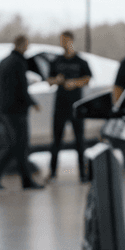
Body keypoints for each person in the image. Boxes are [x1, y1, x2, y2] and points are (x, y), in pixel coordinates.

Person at [0, 34, 44, 192]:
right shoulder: (19, 62)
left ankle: (25, 180)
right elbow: (21, 88)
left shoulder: (4, 62)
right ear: (23, 45)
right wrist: (32, 103)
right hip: (17, 110)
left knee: (18, 145)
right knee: (19, 145)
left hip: (4, 108)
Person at [47, 30, 92, 182]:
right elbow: (49, 80)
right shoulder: (56, 61)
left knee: (80, 141)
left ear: (71, 41)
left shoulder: (80, 61)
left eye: (65, 40)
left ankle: (83, 174)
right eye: (61, 41)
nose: (63, 43)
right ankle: (52, 173)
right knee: (56, 140)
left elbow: (88, 78)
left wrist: (75, 83)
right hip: (60, 105)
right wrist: (56, 80)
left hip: (76, 106)